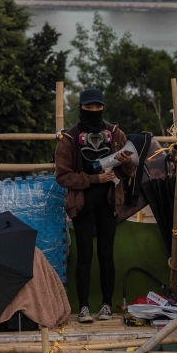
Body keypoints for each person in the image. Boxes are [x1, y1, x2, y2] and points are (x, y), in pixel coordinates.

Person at [54, 88, 136, 323]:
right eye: (88, 107)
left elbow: (130, 168)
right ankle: (82, 308)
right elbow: (62, 176)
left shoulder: (115, 133)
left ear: (103, 107)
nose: (93, 111)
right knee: (84, 256)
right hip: (82, 205)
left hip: (109, 203)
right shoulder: (69, 138)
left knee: (106, 255)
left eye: (97, 107)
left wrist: (126, 162)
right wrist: (93, 179)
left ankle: (107, 306)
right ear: (81, 108)